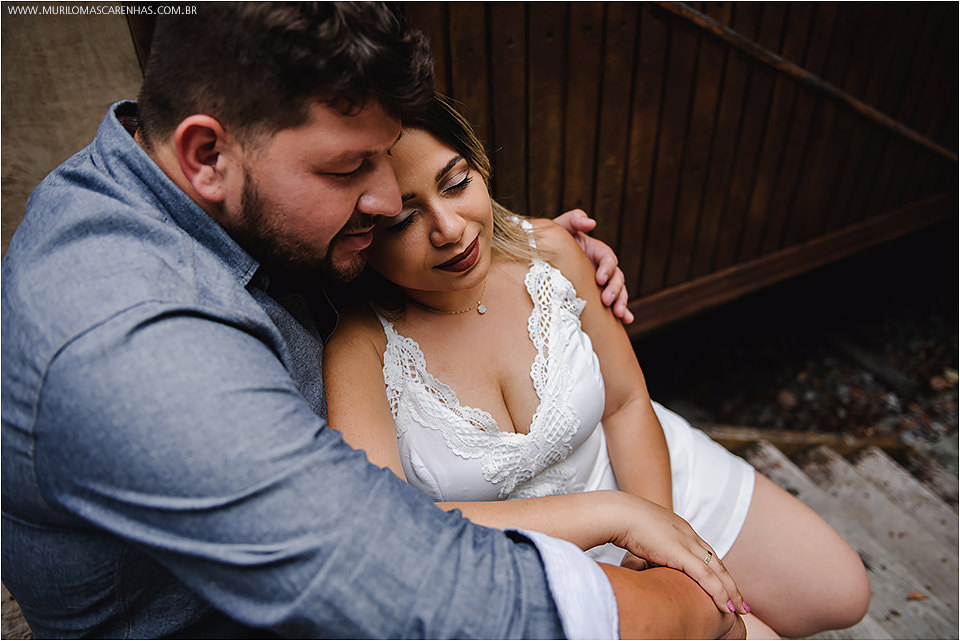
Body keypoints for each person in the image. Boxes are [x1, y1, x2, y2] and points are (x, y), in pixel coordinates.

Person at [1, 3, 744, 639]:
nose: (388, 201)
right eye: (348, 168)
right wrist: (692, 607)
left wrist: (529, 241)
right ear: (207, 154)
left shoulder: (225, 193)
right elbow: (425, 592)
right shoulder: (132, 348)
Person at [322, 93, 873, 640]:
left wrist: (660, 545)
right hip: (534, 558)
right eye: (404, 220)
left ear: (479, 166)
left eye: (457, 182)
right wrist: (616, 519)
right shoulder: (359, 347)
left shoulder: (556, 252)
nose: (449, 229)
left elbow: (626, 403)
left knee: (842, 592)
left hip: (641, 472)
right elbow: (395, 529)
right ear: (363, 233)